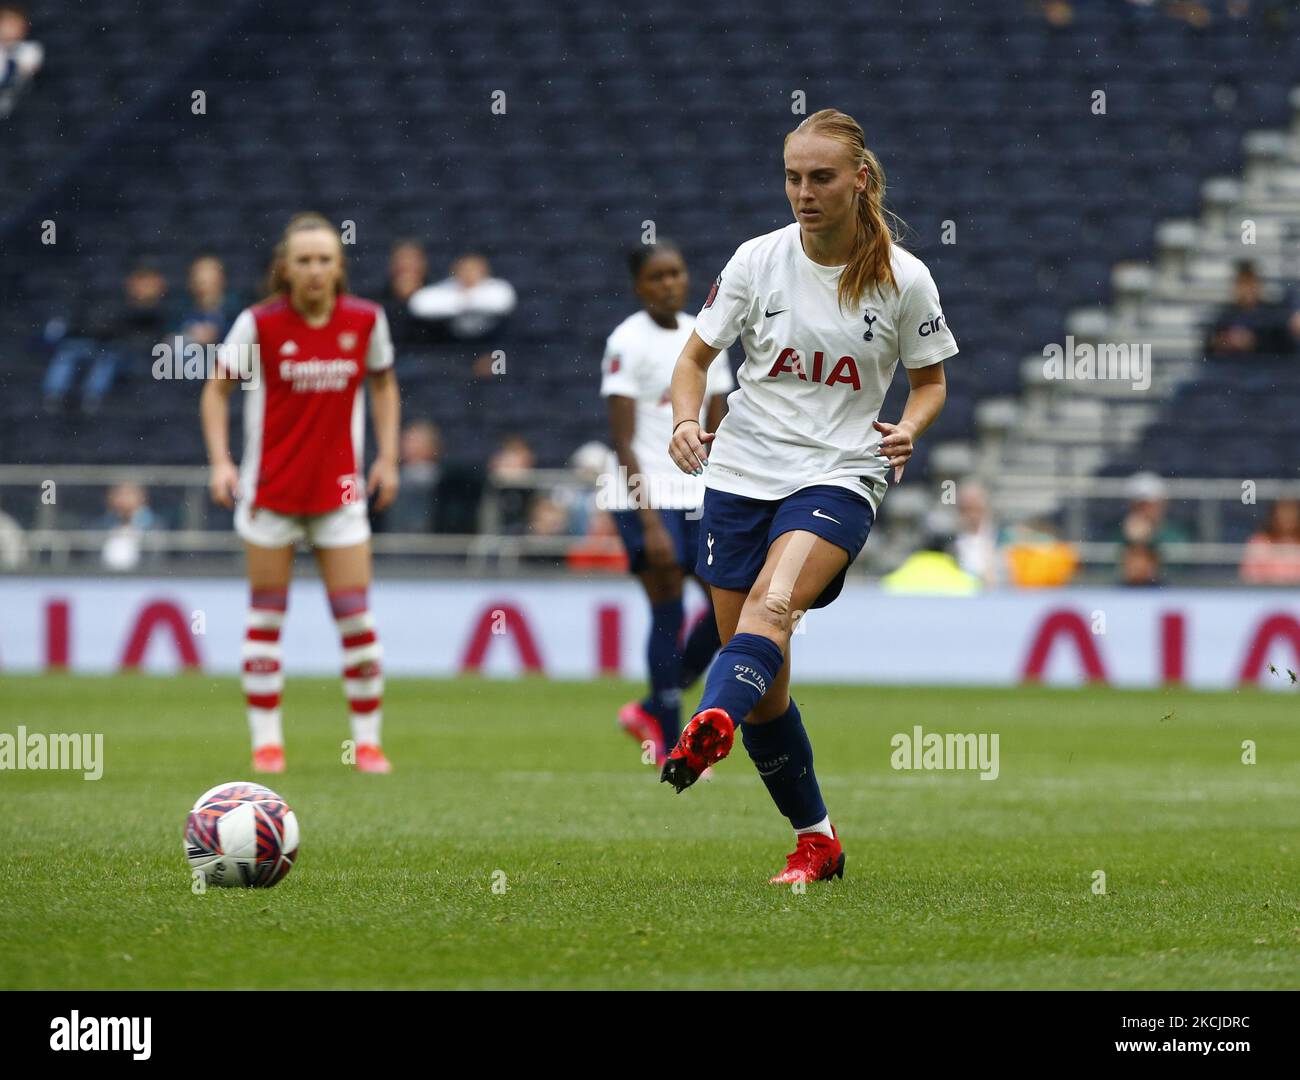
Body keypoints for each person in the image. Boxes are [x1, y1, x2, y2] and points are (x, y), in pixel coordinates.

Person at [662, 109, 956, 884]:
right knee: (764, 684)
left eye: (820, 177)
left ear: (859, 179)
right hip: (739, 474)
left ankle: (705, 720)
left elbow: (931, 381)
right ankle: (817, 839)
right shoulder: (757, 261)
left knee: (773, 606)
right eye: (792, 177)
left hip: (840, 471)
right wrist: (686, 421)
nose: (803, 192)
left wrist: (910, 428)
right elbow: (693, 360)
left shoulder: (905, 276)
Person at [200, 212, 400, 775]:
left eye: (325, 260)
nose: (314, 270)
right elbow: (216, 392)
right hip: (272, 494)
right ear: (284, 268)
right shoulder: (258, 324)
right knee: (265, 620)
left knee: (357, 621)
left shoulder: (366, 320)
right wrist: (220, 462)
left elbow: (384, 383)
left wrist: (387, 457)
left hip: (339, 497)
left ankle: (367, 745)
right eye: (304, 260)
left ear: (340, 268)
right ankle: (268, 746)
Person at [600, 241, 734, 763]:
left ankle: (654, 704)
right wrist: (648, 519)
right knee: (668, 610)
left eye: (676, 273)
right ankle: (672, 741)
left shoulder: (704, 335)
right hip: (648, 493)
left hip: (701, 492)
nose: (669, 284)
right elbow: (623, 440)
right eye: (657, 277)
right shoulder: (625, 342)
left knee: (731, 609)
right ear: (639, 286)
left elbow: (719, 422)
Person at [43, 262, 168, 412]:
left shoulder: (162, 311)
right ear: (131, 283)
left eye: (149, 283)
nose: (144, 288)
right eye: (141, 282)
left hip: (133, 358)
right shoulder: (118, 303)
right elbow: (104, 328)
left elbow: (150, 339)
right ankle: (53, 397)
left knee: (108, 357)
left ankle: (92, 400)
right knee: (70, 351)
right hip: (104, 348)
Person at [1207, 262, 1291, 357]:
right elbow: (1209, 346)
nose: (1247, 289)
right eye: (1242, 283)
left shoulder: (1272, 312)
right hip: (1232, 368)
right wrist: (1225, 342)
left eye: (1250, 283)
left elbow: (1283, 348)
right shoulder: (1226, 314)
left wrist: (1253, 342)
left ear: (1258, 285)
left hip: (1263, 368)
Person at [176, 255, 240, 347]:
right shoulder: (180, 311)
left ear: (221, 277)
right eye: (197, 272)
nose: (201, 277)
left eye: (208, 271)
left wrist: (218, 334)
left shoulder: (236, 311)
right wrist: (189, 335)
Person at [1240, 498, 1300, 584]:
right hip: (1264, 594)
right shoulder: (1259, 541)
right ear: (1273, 515)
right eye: (1282, 512)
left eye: (1292, 513)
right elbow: (1249, 576)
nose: (1287, 517)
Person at [0, 4, 42, 119]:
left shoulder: (30, 50)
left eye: (16, 25)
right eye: (7, 24)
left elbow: (25, 73)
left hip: (17, 112)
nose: (10, 29)